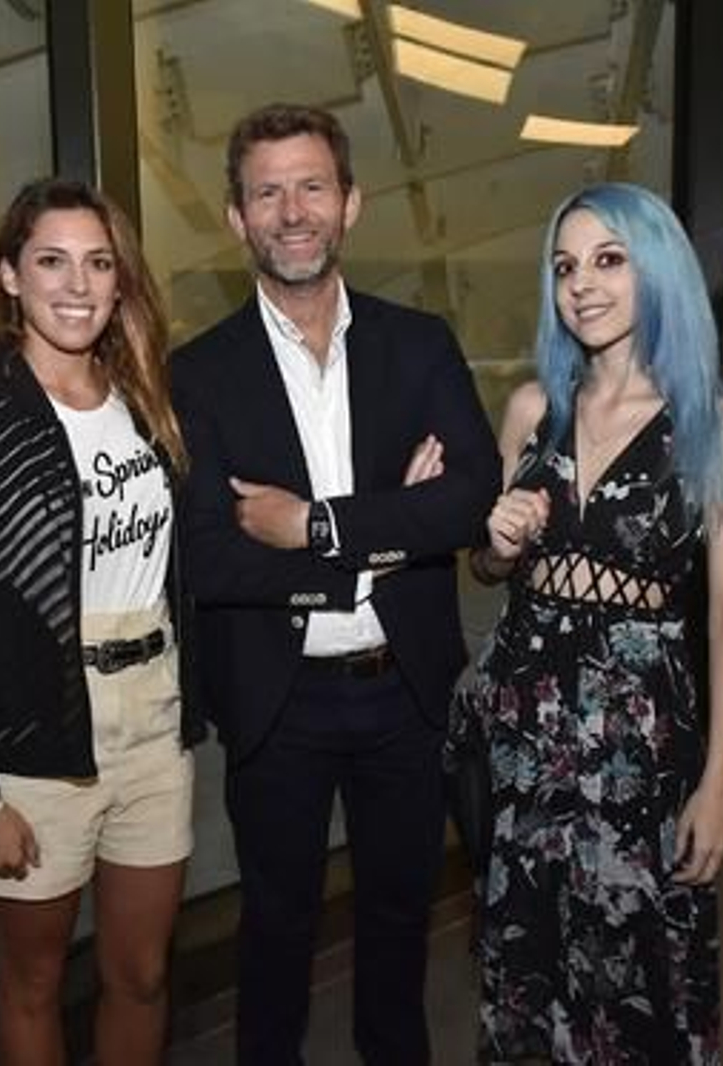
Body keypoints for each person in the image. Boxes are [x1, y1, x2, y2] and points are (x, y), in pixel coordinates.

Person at [170, 103, 500, 1064]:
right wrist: (389, 532)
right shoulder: (196, 374)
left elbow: (472, 500)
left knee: (399, 924)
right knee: (275, 933)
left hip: (407, 692)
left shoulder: (420, 344)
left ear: (349, 203)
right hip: (281, 703)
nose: (292, 210)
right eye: (267, 192)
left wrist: (314, 526)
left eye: (311, 185)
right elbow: (214, 560)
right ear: (237, 219)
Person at [0, 177, 205, 1065]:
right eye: (52, 261)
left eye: (98, 262)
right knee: (33, 987)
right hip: (30, 736)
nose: (77, 284)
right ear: (8, 276)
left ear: (121, 281)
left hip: (152, 723)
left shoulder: (148, 401)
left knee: (142, 975)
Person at [456, 182, 723, 1063]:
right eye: (564, 266)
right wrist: (500, 544)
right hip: (525, 735)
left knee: (641, 974)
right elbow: (490, 570)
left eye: (608, 259)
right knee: (530, 961)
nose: (581, 284)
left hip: (643, 745)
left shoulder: (718, 423)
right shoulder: (530, 410)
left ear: (654, 268)